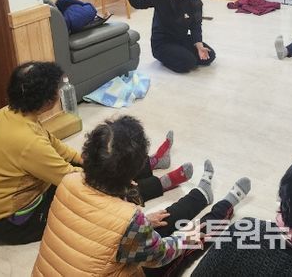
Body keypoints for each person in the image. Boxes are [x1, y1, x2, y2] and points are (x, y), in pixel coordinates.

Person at [0, 62, 186, 245]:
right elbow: (71, 178)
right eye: (57, 89)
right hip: (14, 222)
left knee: (99, 166)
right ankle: (160, 184)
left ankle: (150, 164)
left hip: (25, 198)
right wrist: (111, 178)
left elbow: (54, 144)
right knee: (98, 189)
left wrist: (85, 160)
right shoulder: (28, 142)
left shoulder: (9, 113)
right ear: (47, 101)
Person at [32, 115, 251, 276]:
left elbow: (94, 227)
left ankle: (201, 195)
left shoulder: (68, 181)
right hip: (125, 253)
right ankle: (224, 208)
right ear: (134, 172)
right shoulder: (129, 220)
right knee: (188, 243)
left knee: (161, 219)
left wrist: (142, 223)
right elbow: (162, 255)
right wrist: (186, 237)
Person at [116, 0, 215, 73]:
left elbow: (196, 27)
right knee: (189, 62)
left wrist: (199, 46)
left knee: (210, 56)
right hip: (163, 43)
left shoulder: (195, 1)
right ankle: (168, 57)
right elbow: (138, 3)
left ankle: (182, 54)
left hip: (181, 38)